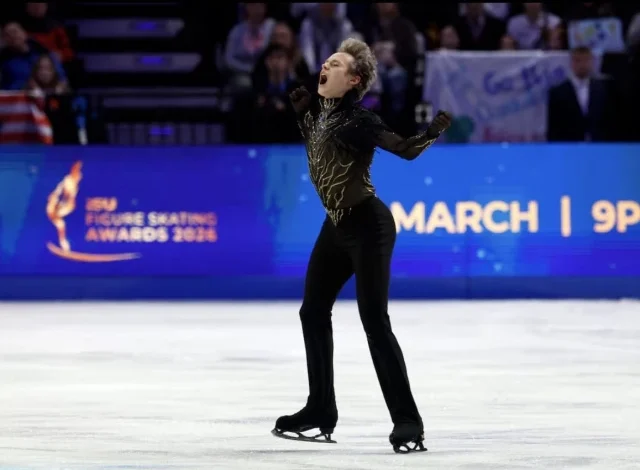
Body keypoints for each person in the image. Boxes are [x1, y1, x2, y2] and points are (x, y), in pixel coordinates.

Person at [271, 37, 451, 453]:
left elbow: (403, 150)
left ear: (353, 80)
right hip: (336, 227)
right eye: (326, 61)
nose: (325, 66)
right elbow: (317, 143)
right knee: (312, 311)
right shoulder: (319, 116)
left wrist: (431, 134)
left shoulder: (359, 120)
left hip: (370, 226)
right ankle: (320, 409)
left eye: (335, 64)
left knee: (374, 320)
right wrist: (302, 113)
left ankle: (408, 421)